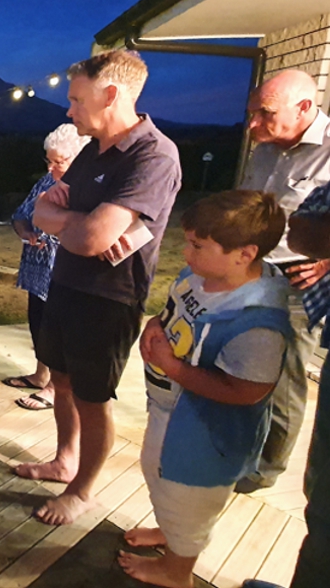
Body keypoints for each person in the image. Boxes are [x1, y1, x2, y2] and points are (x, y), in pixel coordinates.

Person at [21, 50, 182, 526]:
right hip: (65, 284)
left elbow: (92, 239)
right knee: (64, 382)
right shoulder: (92, 149)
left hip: (108, 299)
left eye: (76, 99)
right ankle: (64, 461)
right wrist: (80, 224)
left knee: (93, 398)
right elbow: (41, 213)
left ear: (111, 95)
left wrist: (75, 226)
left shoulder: (153, 155)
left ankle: (83, 490)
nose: (69, 110)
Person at [118, 190, 290, 588]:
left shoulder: (256, 320)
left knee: (189, 498)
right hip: (171, 412)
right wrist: (154, 325)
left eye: (198, 245)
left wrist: (172, 367)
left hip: (206, 435)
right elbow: (172, 312)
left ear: (244, 254)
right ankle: (171, 535)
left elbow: (246, 391)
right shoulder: (203, 277)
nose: (186, 254)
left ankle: (177, 571)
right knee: (158, 475)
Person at [236, 69, 330, 492]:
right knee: (244, 362)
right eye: (252, 112)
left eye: (265, 113)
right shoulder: (265, 150)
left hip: (299, 283)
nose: (253, 124)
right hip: (251, 273)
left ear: (305, 108)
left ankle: (267, 468)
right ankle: (239, 446)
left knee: (286, 378)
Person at [2, 124, 90, 411]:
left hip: (65, 273)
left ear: (77, 157)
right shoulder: (45, 182)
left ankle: (55, 387)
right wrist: (26, 232)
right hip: (37, 271)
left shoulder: (86, 189)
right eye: (49, 160)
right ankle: (41, 375)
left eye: (59, 162)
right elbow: (19, 215)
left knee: (59, 330)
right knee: (39, 324)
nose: (52, 167)